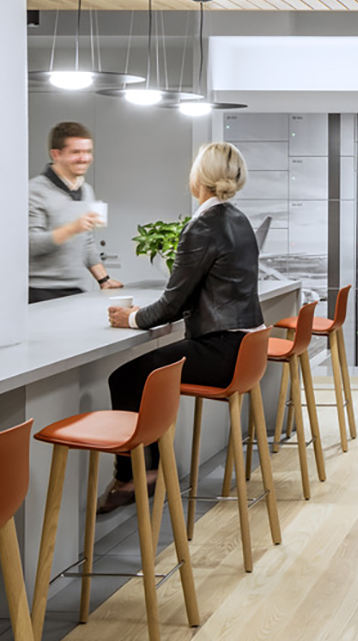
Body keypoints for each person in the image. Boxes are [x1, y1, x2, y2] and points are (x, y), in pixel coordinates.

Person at [99, 142, 264, 512]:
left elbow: (173, 302)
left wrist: (133, 318)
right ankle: (149, 470)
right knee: (144, 374)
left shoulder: (202, 225)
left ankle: (133, 476)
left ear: (199, 177)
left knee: (126, 379)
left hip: (220, 350)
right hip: (244, 348)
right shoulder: (238, 219)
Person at [28, 121, 121, 303]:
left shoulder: (86, 190)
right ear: (56, 154)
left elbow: (86, 242)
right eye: (76, 152)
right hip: (41, 292)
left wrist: (104, 280)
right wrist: (71, 229)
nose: (84, 158)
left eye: (87, 152)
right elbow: (31, 244)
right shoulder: (35, 191)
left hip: (76, 289)